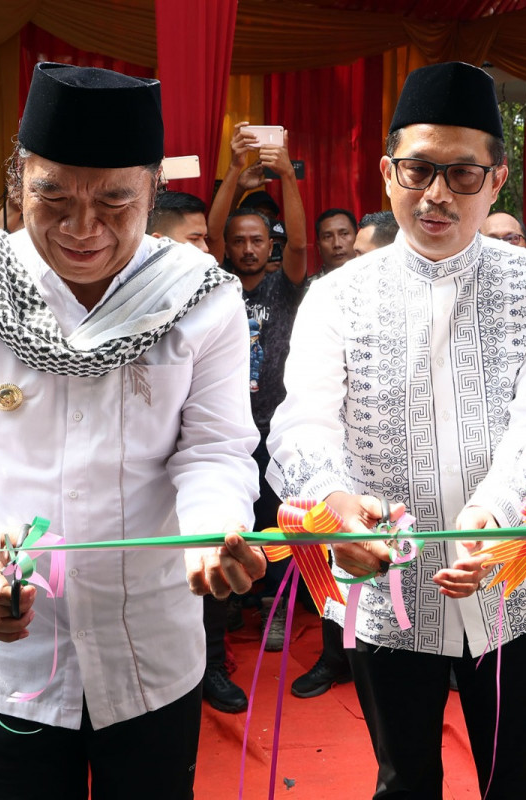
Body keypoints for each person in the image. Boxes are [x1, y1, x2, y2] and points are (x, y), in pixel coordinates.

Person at [0, 63, 265, 798]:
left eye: (115, 201)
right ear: (18, 179)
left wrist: (213, 528)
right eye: (51, 195)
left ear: (152, 188)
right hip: (10, 660)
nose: (82, 228)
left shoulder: (200, 296)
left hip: (149, 648)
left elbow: (214, 446)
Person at [268, 61, 526, 798]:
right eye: (418, 169)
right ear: (387, 173)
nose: (437, 194)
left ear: (497, 180)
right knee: (403, 780)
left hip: (508, 580)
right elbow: (303, 416)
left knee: (517, 782)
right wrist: (334, 502)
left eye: (463, 174)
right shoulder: (336, 296)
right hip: (387, 585)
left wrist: (493, 513)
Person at [147, 188, 250, 714]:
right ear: (156, 242)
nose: (209, 252)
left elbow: (216, 442)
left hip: (184, 530)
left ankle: (213, 666)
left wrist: (213, 520)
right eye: (196, 239)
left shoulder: (212, 303)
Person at [290, 209, 396, 701]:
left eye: (363, 255)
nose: (353, 266)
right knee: (344, 566)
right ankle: (334, 658)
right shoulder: (329, 303)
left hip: (414, 487)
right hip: (344, 473)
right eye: (351, 256)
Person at [215, 123, 308, 652]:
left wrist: (285, 174)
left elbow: (298, 240)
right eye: (239, 241)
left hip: (275, 425)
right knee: (233, 516)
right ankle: (229, 599)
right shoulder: (215, 285)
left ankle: (275, 607)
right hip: (228, 424)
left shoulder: (285, 284)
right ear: (227, 247)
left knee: (276, 517)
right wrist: (232, 175)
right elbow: (204, 236)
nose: (249, 249)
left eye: (257, 240)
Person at [314, 208, 357, 276]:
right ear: (319, 247)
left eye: (344, 234)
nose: (337, 244)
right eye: (328, 237)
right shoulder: (312, 286)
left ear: (357, 238)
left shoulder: (375, 282)